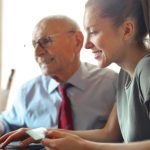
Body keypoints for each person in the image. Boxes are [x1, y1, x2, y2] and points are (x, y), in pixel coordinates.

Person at [1, 0, 149, 149]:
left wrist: (84, 147)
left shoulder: (144, 69)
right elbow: (110, 133)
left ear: (127, 30)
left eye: (93, 32)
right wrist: (43, 133)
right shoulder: (124, 74)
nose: (87, 45)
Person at [0, 15, 118, 141]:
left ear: (77, 41)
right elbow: (7, 124)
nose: (37, 53)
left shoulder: (112, 84)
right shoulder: (28, 91)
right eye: (34, 45)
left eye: (46, 41)